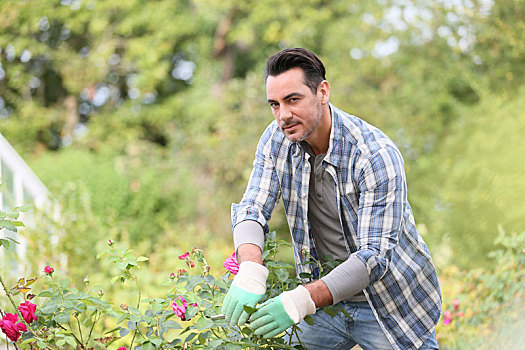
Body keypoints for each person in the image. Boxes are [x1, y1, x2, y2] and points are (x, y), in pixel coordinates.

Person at [221, 48, 442, 350]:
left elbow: (373, 257)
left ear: (322, 92)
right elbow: (252, 207)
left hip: (387, 303)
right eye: (274, 104)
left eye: (293, 100)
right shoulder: (276, 139)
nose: (283, 115)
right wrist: (250, 269)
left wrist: (300, 300)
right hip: (323, 306)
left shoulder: (374, 154)